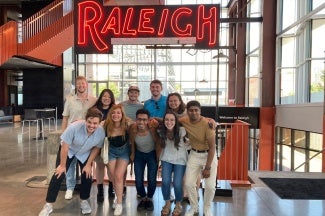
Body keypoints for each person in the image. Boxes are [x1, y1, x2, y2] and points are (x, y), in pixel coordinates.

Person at [38, 108, 105, 216]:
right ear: (86, 120)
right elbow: (65, 146)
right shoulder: (74, 127)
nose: (92, 125)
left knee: (87, 175)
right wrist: (63, 165)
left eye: (95, 123)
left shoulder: (101, 132)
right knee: (58, 174)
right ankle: (48, 205)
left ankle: (84, 201)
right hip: (68, 150)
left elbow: (97, 148)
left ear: (99, 123)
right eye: (89, 122)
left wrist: (88, 165)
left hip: (85, 152)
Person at [61, 75, 97, 200]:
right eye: (79, 84)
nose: (81, 85)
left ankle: (85, 189)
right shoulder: (70, 100)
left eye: (83, 83)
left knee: (86, 165)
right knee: (69, 165)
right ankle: (70, 188)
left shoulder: (93, 100)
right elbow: (65, 118)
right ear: (76, 86)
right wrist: (63, 136)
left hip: (87, 139)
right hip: (72, 137)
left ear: (86, 85)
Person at [179, 100, 217, 216]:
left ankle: (207, 208)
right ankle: (194, 207)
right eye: (191, 110)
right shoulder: (184, 120)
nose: (193, 113)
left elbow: (212, 148)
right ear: (187, 111)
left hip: (209, 155)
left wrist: (208, 167)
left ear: (200, 111)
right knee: (189, 184)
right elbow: (170, 119)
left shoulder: (207, 124)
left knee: (210, 186)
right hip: (194, 154)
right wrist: (154, 120)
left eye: (196, 110)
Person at [158, 110, 189, 216]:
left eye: (172, 120)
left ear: (176, 121)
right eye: (166, 119)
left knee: (177, 183)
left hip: (180, 160)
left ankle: (178, 204)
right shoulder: (161, 131)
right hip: (166, 159)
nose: (169, 122)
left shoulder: (181, 131)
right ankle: (167, 203)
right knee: (165, 182)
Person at [129, 109, 160, 212]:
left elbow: (158, 142)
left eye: (144, 120)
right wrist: (132, 154)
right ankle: (143, 197)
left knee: (152, 179)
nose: (141, 122)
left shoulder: (153, 128)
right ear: (136, 119)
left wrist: (159, 158)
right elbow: (132, 143)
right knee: (138, 178)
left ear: (148, 120)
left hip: (151, 154)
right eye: (139, 119)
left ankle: (149, 198)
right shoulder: (133, 128)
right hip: (139, 154)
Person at [105, 104, 131, 216]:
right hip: (111, 151)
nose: (116, 115)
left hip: (124, 151)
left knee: (119, 176)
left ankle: (119, 203)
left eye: (118, 113)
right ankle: (117, 197)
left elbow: (140, 125)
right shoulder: (106, 125)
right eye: (113, 113)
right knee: (112, 176)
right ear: (111, 115)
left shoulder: (127, 124)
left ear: (122, 114)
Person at [93, 89, 116, 202]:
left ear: (112, 99)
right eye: (104, 96)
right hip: (98, 142)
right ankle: (100, 190)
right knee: (100, 165)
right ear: (101, 97)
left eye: (109, 96)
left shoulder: (115, 109)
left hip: (112, 142)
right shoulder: (94, 110)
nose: (106, 98)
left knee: (111, 167)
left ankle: (111, 188)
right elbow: (89, 123)